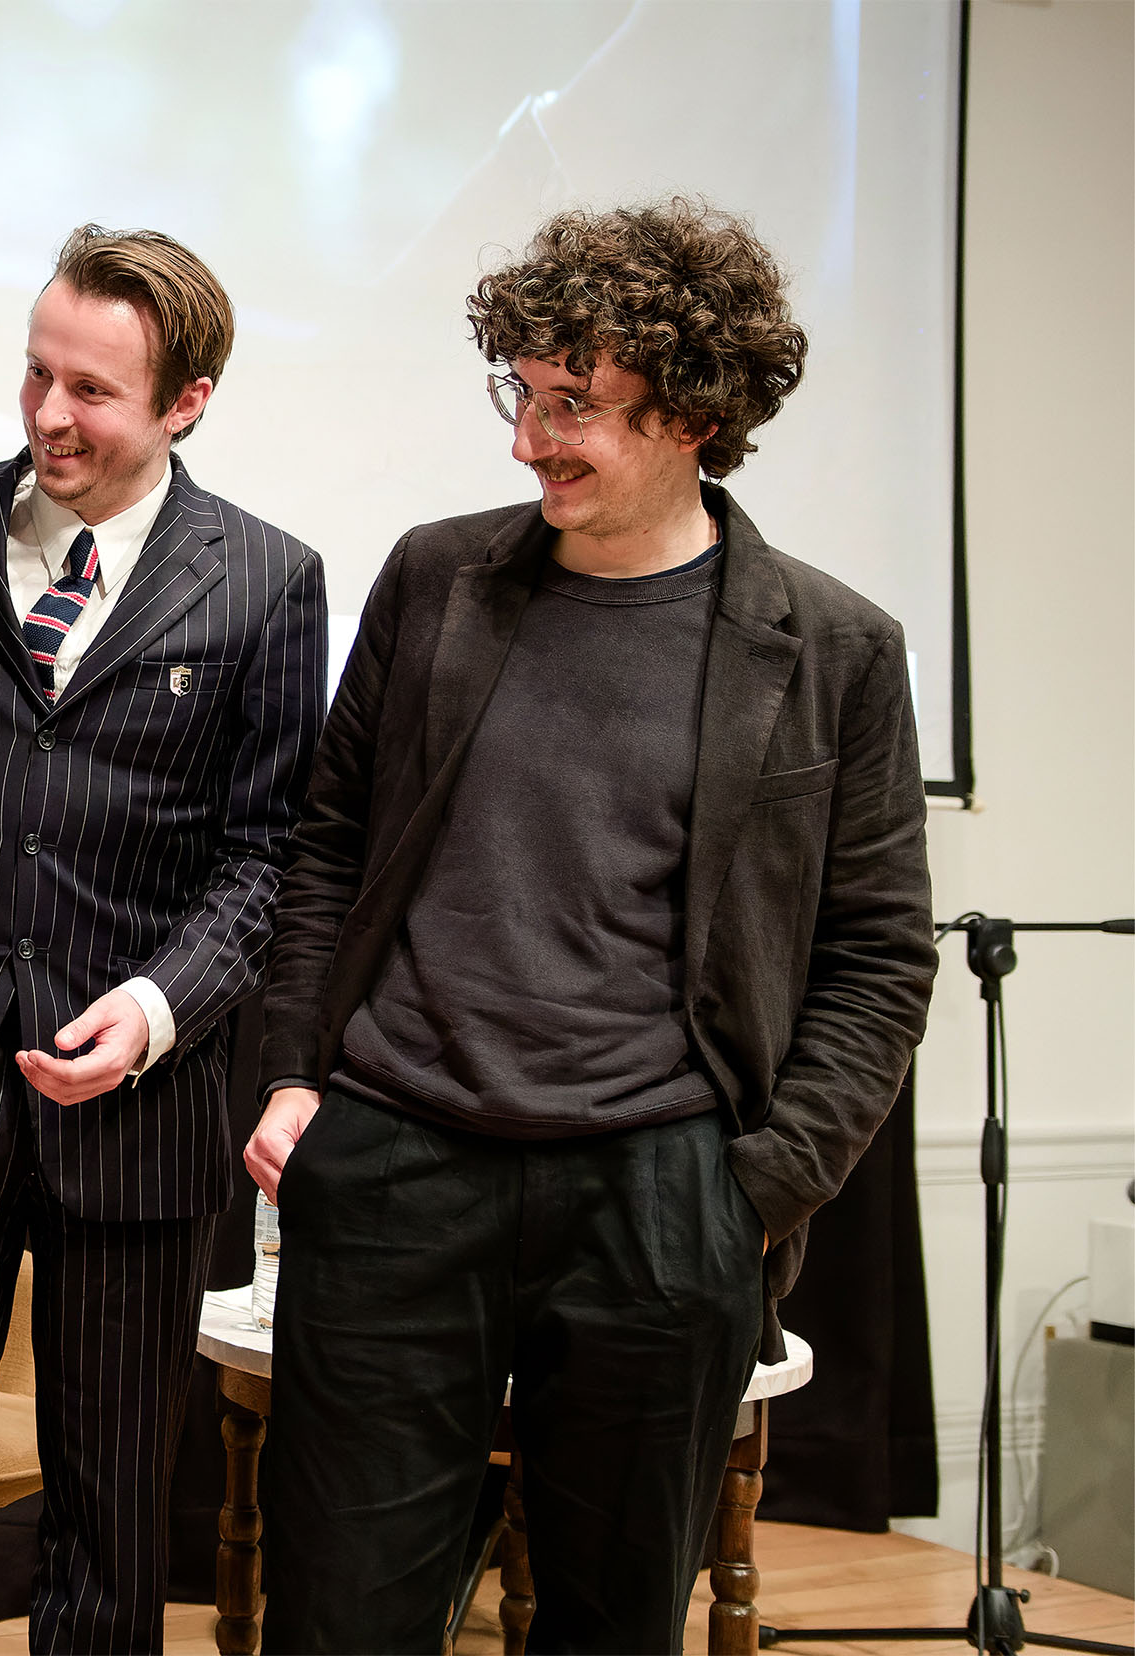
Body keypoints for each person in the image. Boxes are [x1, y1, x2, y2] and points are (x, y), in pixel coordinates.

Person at [246, 199, 938, 1654]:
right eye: (521, 393)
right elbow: (329, 846)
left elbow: (879, 956)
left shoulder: (837, 650)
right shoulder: (436, 579)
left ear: (694, 416)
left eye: (575, 405)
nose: (528, 440)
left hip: (661, 1199)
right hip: (396, 1167)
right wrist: (298, 1079)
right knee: (338, 1622)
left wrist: (757, 1191)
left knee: (614, 1626)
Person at [0, 225, 327, 1652]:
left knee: (110, 1531)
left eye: (93, 391)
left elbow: (268, 858)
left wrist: (160, 1008)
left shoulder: (267, 578)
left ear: (187, 402)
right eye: (37, 373)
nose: (48, 413)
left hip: (141, 1106)